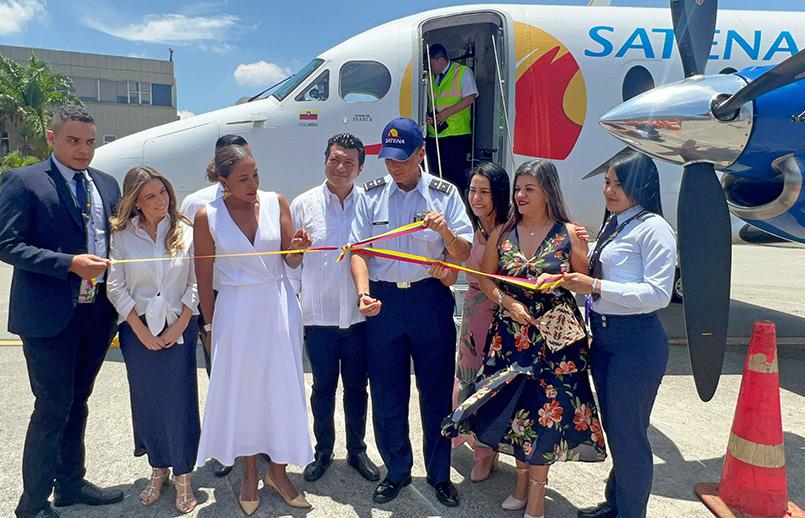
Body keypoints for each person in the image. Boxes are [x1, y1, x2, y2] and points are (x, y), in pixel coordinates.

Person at [448, 160, 607, 518]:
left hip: (555, 345)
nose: (519, 195)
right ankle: (520, 482)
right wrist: (508, 302)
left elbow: (584, 285)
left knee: (545, 418)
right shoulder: (504, 233)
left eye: (528, 189)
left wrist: (563, 280)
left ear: (547, 191)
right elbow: (486, 279)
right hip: (511, 339)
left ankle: (536, 493)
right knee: (517, 415)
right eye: (518, 188)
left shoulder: (568, 234)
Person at [0, 105, 123, 518]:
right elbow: (7, 244)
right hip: (48, 316)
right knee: (52, 407)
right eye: (73, 140)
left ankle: (70, 484)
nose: (83, 149)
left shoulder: (106, 184)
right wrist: (69, 263)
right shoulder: (23, 181)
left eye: (90, 142)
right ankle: (32, 504)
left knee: (79, 400)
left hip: (97, 314)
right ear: (52, 138)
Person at [349, 117, 473, 507]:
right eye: (388, 158)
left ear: (421, 153)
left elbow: (464, 254)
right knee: (387, 393)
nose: (394, 166)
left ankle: (439, 474)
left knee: (435, 392)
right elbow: (357, 251)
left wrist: (446, 235)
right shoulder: (369, 195)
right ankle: (397, 471)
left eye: (402, 158)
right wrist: (363, 293)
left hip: (429, 300)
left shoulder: (444, 193)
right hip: (384, 302)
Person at [194, 144, 314, 515]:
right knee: (244, 393)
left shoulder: (276, 202)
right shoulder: (207, 216)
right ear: (223, 181)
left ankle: (278, 471)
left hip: (277, 305)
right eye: (243, 178)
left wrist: (299, 249)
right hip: (235, 311)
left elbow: (291, 262)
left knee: (282, 389)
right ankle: (249, 471)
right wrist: (210, 326)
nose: (252, 183)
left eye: (256, 175)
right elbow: (203, 278)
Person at [564, 151, 676, 518]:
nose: (608, 190)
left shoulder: (654, 228)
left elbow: (658, 293)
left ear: (640, 185)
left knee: (630, 437)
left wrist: (595, 284)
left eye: (618, 184)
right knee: (618, 431)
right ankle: (616, 504)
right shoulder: (619, 223)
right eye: (607, 182)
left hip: (636, 342)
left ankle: (630, 513)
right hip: (607, 339)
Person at [106, 166, 200, 513]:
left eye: (163, 192)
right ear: (135, 203)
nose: (161, 201)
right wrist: (140, 329)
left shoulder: (185, 230)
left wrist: (180, 326)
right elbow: (115, 286)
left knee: (180, 403)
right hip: (138, 329)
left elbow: (195, 283)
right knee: (146, 402)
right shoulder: (123, 235)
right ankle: (158, 469)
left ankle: (184, 476)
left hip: (179, 324)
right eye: (151, 196)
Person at [289, 133, 380, 483]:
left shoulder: (370, 205)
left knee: (358, 388)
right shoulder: (303, 205)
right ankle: (323, 451)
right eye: (334, 159)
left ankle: (356, 451)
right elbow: (292, 263)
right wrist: (296, 251)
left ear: (360, 167)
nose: (340, 167)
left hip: (359, 318)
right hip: (319, 317)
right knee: (323, 389)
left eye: (349, 162)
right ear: (325, 159)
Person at [179, 133, 250, 479]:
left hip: (253, 300)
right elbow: (191, 263)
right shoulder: (197, 204)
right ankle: (227, 448)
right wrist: (204, 321)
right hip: (218, 299)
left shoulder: (259, 199)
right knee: (222, 377)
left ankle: (259, 442)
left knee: (255, 377)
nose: (248, 176)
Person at [451, 163, 510, 482]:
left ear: (498, 194)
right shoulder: (467, 227)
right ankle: (482, 451)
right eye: (472, 190)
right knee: (469, 382)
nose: (476, 197)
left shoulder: (512, 228)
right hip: (475, 311)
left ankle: (495, 449)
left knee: (499, 382)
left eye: (484, 191)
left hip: (505, 311)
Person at [425, 43, 478, 191]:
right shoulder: (429, 78)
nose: (429, 67)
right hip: (434, 134)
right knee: (435, 176)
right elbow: (430, 102)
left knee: (456, 177)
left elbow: (470, 98)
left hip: (457, 134)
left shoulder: (462, 72)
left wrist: (446, 113)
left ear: (441, 60)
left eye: (431, 63)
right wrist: (428, 117)